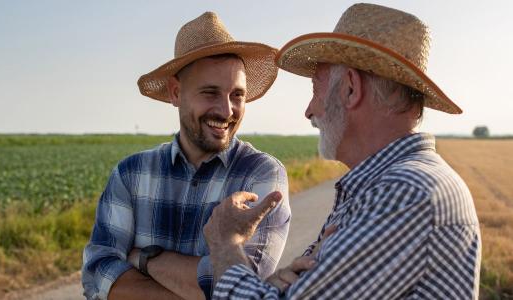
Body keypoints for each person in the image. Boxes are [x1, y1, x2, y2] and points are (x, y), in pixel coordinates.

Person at [204, 3, 481, 299]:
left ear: (350, 88)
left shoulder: (405, 192)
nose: (309, 111)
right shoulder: (385, 186)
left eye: (315, 89)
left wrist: (226, 243)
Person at [81, 12, 291, 300]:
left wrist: (144, 258)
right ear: (176, 93)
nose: (227, 110)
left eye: (237, 95)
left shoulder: (261, 174)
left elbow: (244, 288)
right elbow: (97, 273)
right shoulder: (131, 174)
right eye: (210, 92)